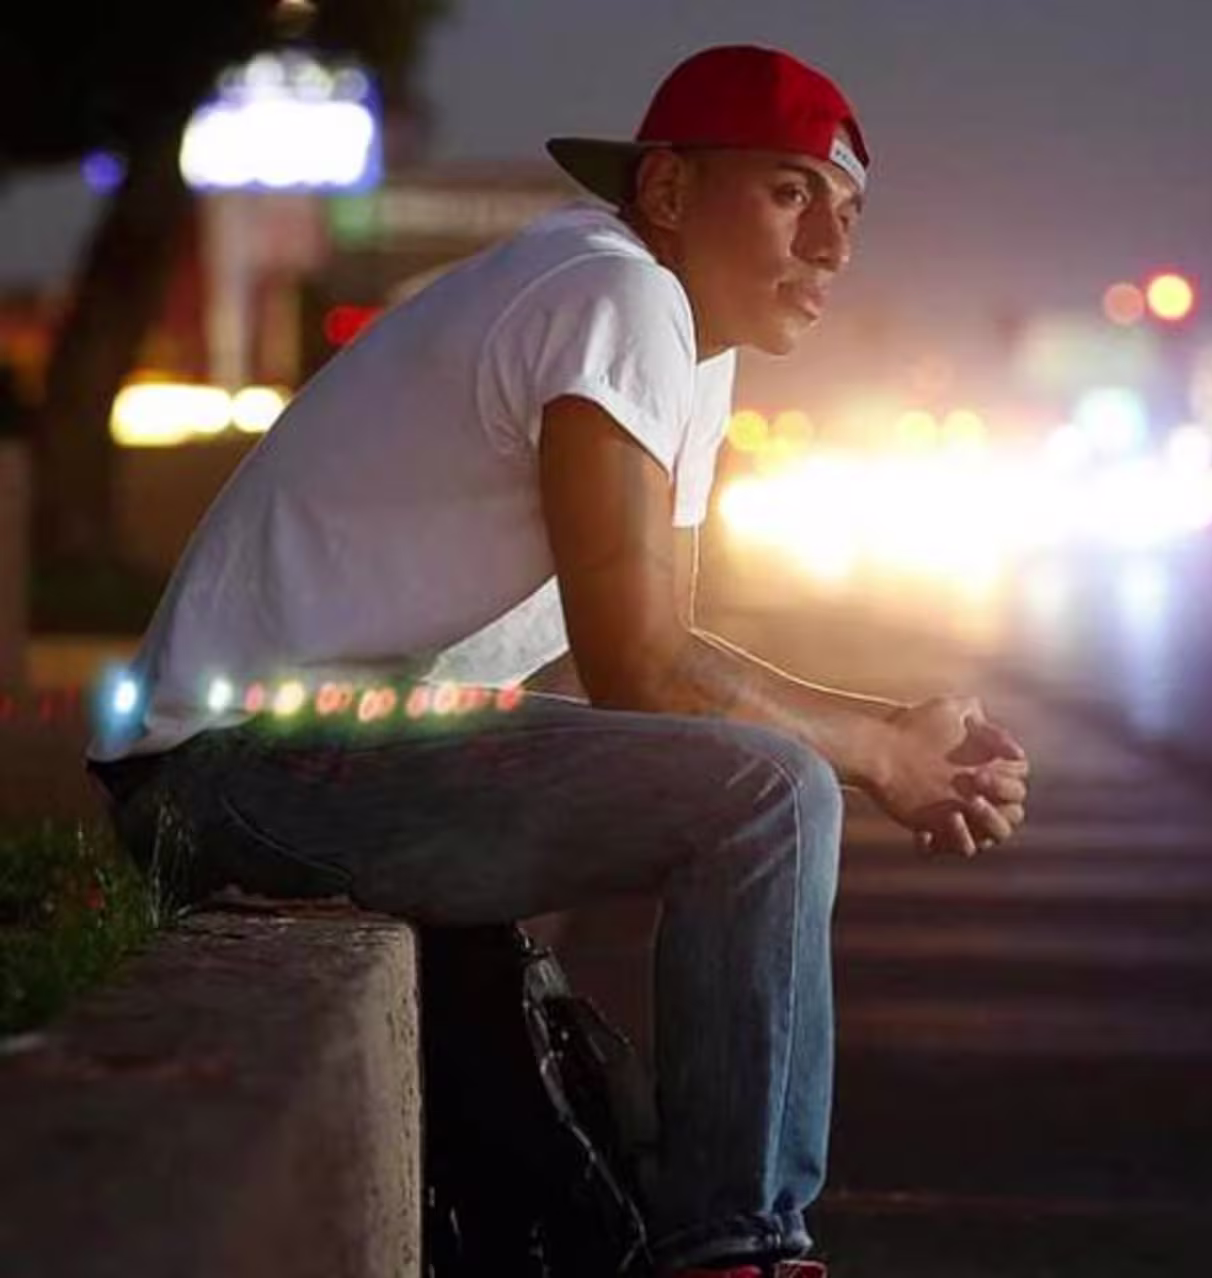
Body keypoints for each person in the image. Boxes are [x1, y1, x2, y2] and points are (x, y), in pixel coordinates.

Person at [84, 44, 1031, 1278]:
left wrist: (886, 729)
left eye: (848, 212)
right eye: (793, 193)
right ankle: (737, 1250)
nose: (832, 250)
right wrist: (874, 749)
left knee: (763, 785)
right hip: (233, 768)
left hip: (352, 746)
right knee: (771, 795)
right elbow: (640, 666)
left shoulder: (693, 343)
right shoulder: (611, 293)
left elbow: (663, 654)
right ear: (672, 191)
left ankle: (712, 1239)